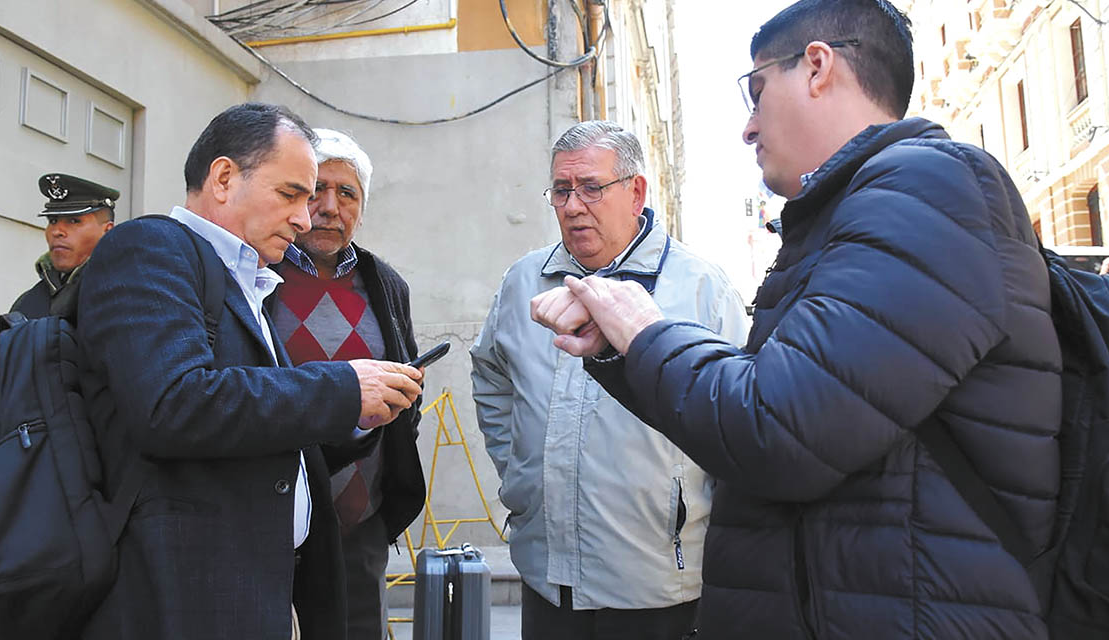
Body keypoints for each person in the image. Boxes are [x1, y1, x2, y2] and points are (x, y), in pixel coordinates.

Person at [530, 2, 1062, 638]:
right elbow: (787, 402)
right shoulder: (864, 210)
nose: (748, 129)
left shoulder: (925, 192)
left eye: (756, 93)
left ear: (817, 67)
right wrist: (618, 350)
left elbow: (778, 426)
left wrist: (645, 332)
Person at [75, 103, 423, 640]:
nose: (306, 218)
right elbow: (173, 403)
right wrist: (342, 387)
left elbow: (261, 425)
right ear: (222, 178)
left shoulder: (244, 277)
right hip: (184, 595)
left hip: (252, 585)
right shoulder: (149, 248)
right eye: (291, 195)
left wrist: (362, 416)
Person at [470, 120, 748, 640]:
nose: (573, 206)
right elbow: (491, 375)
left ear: (636, 191)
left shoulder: (701, 289)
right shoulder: (522, 282)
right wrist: (520, 473)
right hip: (546, 573)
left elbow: (735, 419)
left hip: (655, 581)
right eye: (561, 190)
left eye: (592, 188)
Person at [268, 129, 425, 640]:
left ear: (362, 206)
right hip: (272, 521)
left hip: (360, 527)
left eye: (347, 193)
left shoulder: (386, 285)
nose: (329, 207)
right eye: (316, 190)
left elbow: (404, 380)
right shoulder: (259, 276)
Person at [9, 173, 117, 319]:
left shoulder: (125, 293)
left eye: (73, 221)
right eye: (52, 221)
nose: (57, 231)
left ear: (107, 231)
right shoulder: (26, 304)